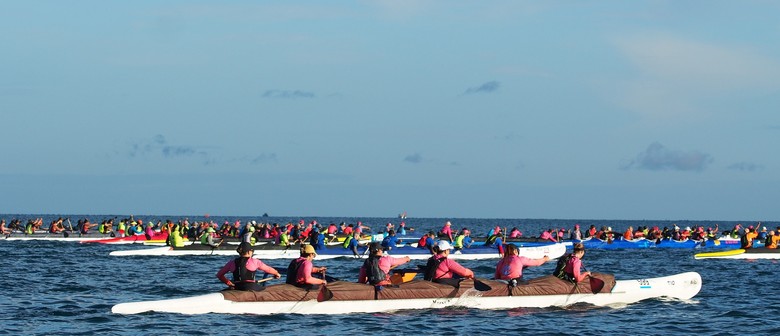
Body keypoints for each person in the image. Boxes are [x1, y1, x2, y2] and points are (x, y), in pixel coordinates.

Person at [217, 242, 281, 291]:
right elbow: (268, 269)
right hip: (250, 287)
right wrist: (276, 273)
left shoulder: (231, 262)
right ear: (249, 252)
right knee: (265, 290)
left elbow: (219, 275)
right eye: (252, 251)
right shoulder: (255, 261)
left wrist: (229, 283)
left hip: (237, 287)